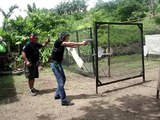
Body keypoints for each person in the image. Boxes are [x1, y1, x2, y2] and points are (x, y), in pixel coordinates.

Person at [50, 32, 88, 106]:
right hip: (55, 64)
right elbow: (69, 44)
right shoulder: (58, 42)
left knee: (63, 79)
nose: (68, 39)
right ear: (63, 37)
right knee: (61, 80)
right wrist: (81, 43)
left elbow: (72, 45)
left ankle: (57, 94)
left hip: (58, 64)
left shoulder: (63, 43)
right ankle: (63, 100)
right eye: (67, 37)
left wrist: (82, 44)